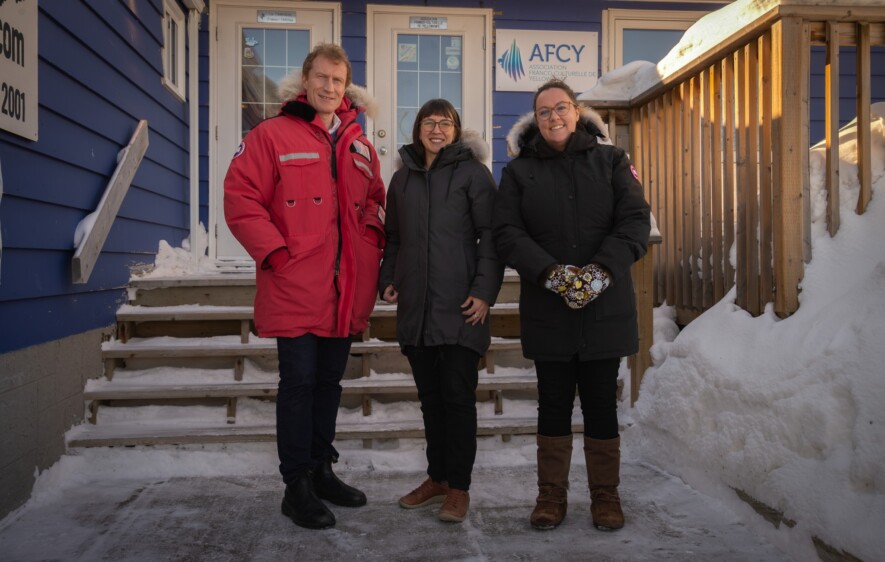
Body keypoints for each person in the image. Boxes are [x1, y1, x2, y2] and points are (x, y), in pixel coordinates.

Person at [223, 43, 386, 530]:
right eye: (321, 77)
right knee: (298, 385)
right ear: (305, 79)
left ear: (346, 86)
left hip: (344, 290)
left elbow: (374, 202)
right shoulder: (271, 135)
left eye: (337, 80)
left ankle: (320, 471)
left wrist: (371, 242)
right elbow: (240, 197)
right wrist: (274, 253)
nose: (329, 87)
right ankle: (295, 486)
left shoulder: (360, 144)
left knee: (330, 385)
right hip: (295, 285)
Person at [492, 79, 650, 532]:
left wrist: (599, 272)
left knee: (602, 404)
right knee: (553, 404)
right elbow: (507, 233)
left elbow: (635, 222)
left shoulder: (612, 161)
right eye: (544, 112)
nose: (553, 117)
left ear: (577, 112)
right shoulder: (519, 173)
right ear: (535, 120)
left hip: (604, 307)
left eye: (561, 108)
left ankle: (605, 496)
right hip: (550, 308)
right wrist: (552, 275)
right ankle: (551, 497)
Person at [378, 99, 504, 523]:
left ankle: (460, 488)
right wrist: (388, 278)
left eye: (445, 123)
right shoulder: (402, 180)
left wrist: (484, 292)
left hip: (461, 307)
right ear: (417, 129)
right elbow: (393, 238)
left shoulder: (474, 174)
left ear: (455, 130)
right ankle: (437, 479)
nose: (436, 129)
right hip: (418, 308)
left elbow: (492, 238)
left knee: (457, 400)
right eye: (429, 122)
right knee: (431, 401)